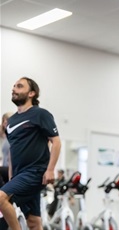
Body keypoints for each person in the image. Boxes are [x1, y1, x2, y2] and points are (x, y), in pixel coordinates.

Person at [0, 77, 61, 230]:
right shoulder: (11, 121)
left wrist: (50, 169)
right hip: (20, 174)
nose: (14, 89)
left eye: (19, 86)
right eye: (14, 86)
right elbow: (12, 153)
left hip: (35, 171)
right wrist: (11, 178)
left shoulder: (40, 114)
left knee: (0, 198)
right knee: (34, 222)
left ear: (31, 93)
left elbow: (56, 141)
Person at [0, 112, 13, 187]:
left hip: (12, 168)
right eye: (4, 120)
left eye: (7, 120)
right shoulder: (4, 136)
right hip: (5, 166)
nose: (5, 122)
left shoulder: (15, 135)